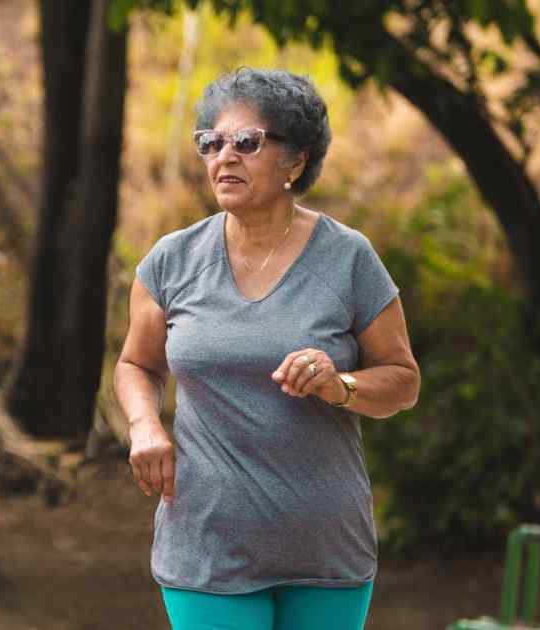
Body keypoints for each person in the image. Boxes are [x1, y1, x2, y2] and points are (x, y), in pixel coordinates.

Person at [112, 68, 421, 629]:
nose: (224, 156)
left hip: (324, 544)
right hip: (205, 542)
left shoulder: (348, 258)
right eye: (211, 142)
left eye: (247, 142)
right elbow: (137, 363)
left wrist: (340, 385)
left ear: (295, 161)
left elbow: (402, 380)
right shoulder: (172, 261)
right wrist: (144, 425)